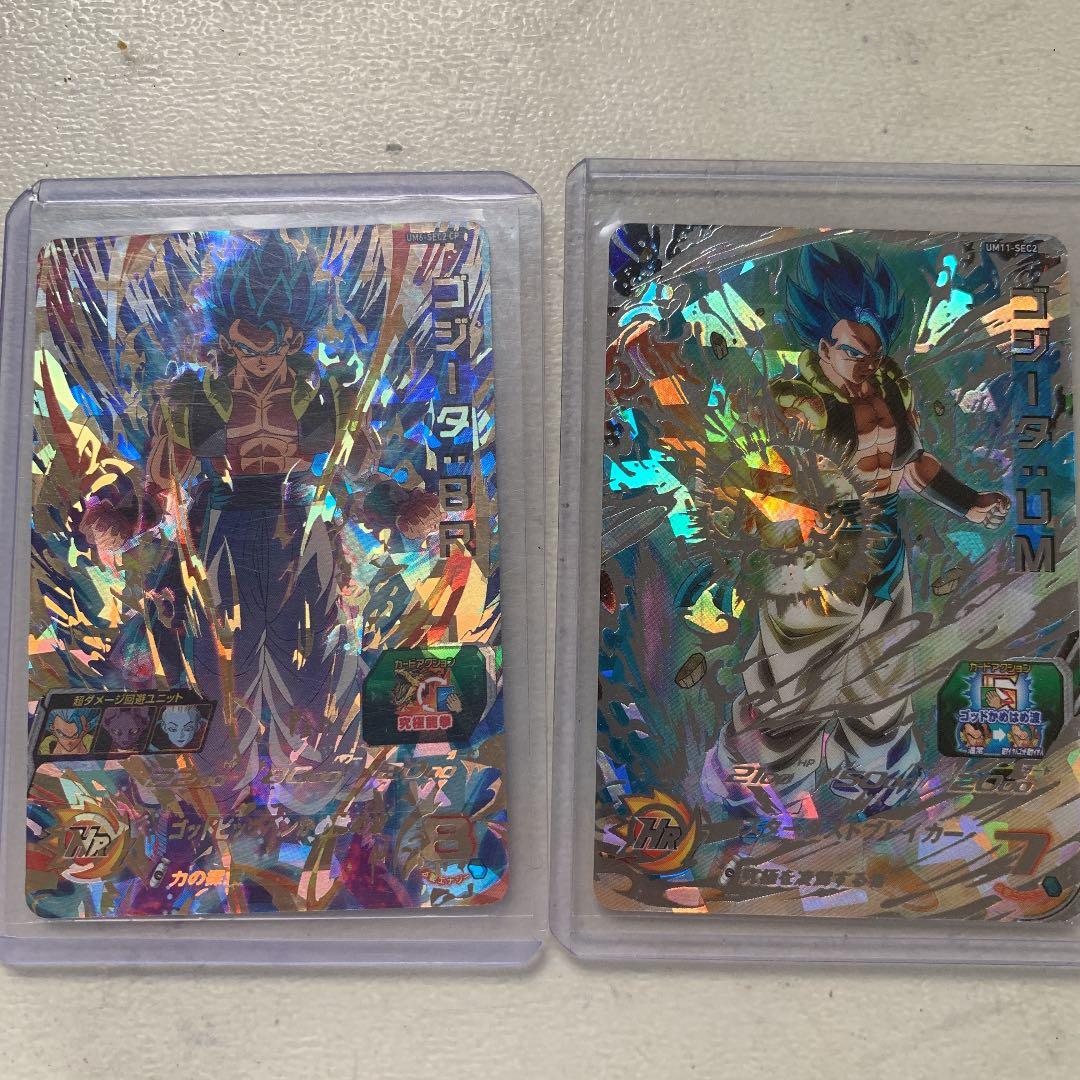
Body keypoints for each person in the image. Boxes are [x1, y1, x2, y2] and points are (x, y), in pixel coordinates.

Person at [80, 232, 439, 810]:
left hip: (301, 526)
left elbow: (357, 485)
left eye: (276, 328)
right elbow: (158, 491)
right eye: (249, 330)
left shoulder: (331, 398)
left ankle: (315, 784)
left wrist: (401, 510)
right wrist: (121, 520)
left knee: (314, 662)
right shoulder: (191, 398)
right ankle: (214, 784)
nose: (263, 343)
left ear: (295, 334)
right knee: (218, 663)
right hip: (219, 528)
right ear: (227, 334)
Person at [699, 242, 1009, 811]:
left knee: (882, 670)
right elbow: (755, 481)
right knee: (793, 680)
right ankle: (757, 782)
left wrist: (967, 503)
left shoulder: (892, 386)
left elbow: (912, 464)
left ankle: (875, 773)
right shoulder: (793, 401)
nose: (867, 364)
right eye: (853, 352)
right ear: (824, 346)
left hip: (883, 542)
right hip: (817, 554)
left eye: (875, 351)